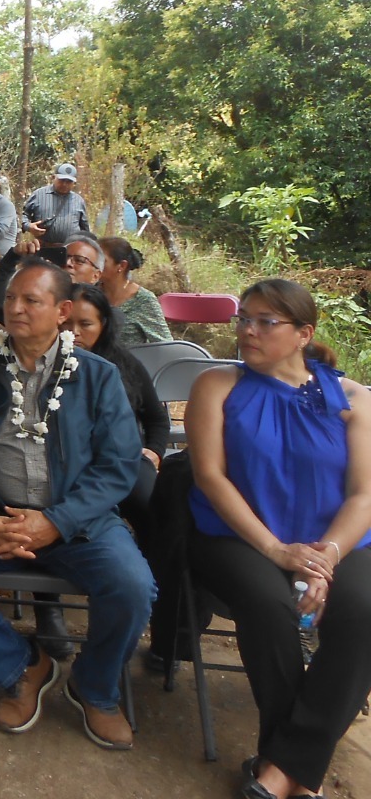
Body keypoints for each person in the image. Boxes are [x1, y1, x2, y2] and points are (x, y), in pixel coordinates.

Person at [0, 259, 151, 752]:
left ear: (62, 311)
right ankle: (21, 666)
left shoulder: (98, 376)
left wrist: (56, 521)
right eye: (10, 299)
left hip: (77, 520)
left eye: (31, 300)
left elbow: (119, 466)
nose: (15, 308)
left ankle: (95, 687)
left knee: (132, 586)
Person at [186, 279, 371, 799]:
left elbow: (363, 495)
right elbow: (210, 477)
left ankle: (283, 767)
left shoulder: (355, 400)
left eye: (265, 321)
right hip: (237, 535)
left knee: (365, 608)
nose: (248, 330)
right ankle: (299, 769)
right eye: (243, 318)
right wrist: (275, 550)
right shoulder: (217, 385)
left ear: (303, 334)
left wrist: (325, 557)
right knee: (268, 605)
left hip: (336, 540)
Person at [65, 284, 165, 530]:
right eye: (66, 323)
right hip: (67, 463)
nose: (74, 332)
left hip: (123, 459)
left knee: (155, 510)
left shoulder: (124, 363)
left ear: (103, 325)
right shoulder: (42, 365)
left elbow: (156, 418)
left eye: (85, 324)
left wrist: (154, 451)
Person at [97, 237, 172, 347]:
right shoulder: (92, 292)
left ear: (122, 266)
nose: (94, 265)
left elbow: (166, 345)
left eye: (101, 260)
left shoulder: (144, 300)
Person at [24, 163, 90, 248]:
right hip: (43, 249)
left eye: (69, 182)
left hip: (69, 251)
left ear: (74, 183)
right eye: (62, 180)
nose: (64, 184)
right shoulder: (38, 195)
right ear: (54, 177)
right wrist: (28, 226)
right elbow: (23, 215)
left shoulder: (78, 201)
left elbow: (85, 229)